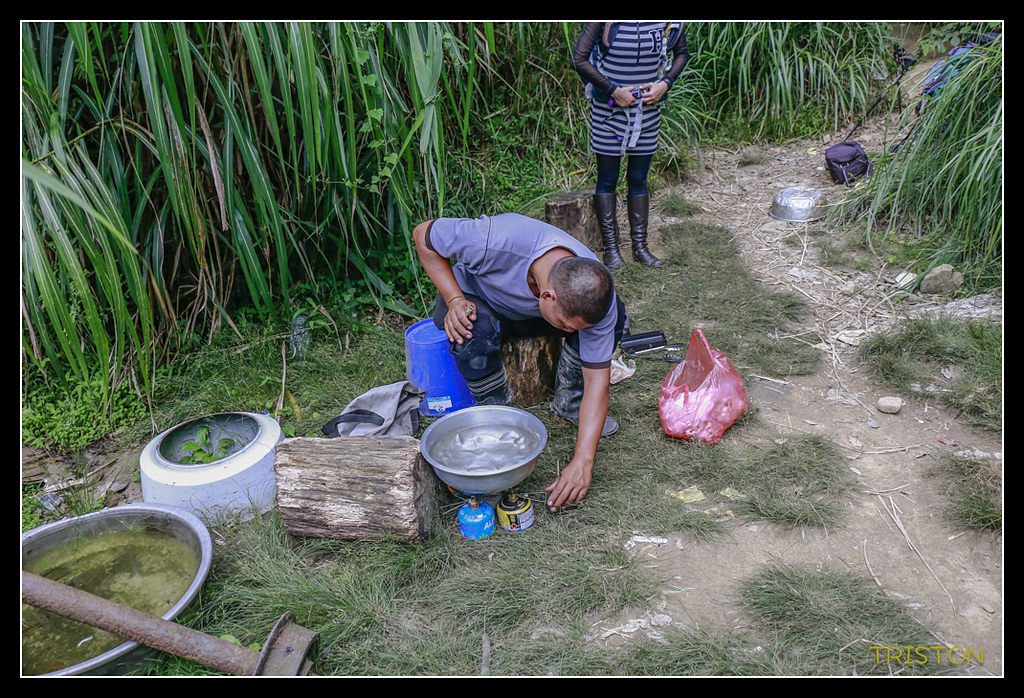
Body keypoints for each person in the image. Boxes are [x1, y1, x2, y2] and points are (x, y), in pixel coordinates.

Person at [413, 213, 627, 512]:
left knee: (616, 315)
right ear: (548, 295)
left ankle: (569, 406)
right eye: (568, 326)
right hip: (481, 300)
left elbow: (598, 382)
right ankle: (497, 418)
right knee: (471, 332)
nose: (572, 333)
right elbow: (423, 234)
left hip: (538, 314)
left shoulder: (595, 292)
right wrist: (453, 300)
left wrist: (583, 461)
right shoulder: (495, 241)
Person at [572, 21, 690, 270]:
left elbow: (682, 54)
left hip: (648, 113)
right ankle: (611, 250)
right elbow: (579, 59)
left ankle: (640, 247)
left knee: (638, 178)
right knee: (607, 179)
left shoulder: (667, 23)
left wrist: (665, 83)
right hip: (608, 113)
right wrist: (613, 90)